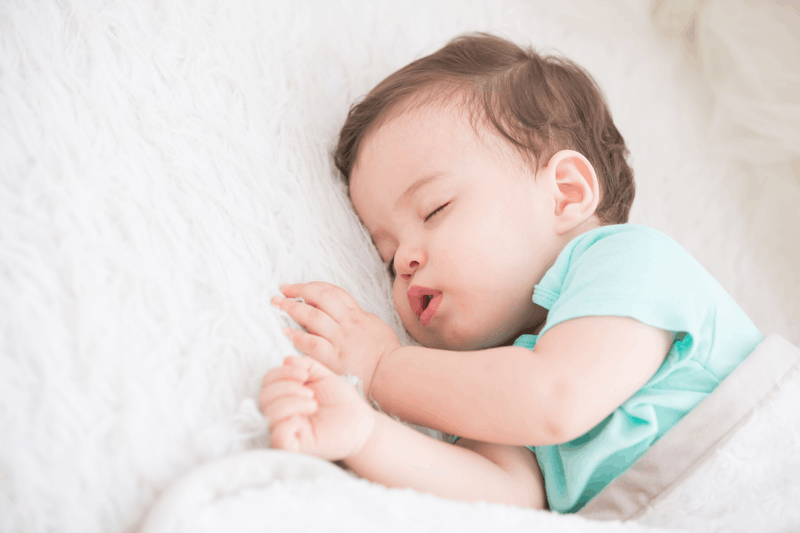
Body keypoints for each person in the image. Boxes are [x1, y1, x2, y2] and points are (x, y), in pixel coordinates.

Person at [259, 33, 763, 512]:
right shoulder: (494, 375)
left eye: (435, 209)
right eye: (387, 257)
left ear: (565, 192)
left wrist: (381, 368)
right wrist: (365, 435)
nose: (405, 261)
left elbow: (554, 397)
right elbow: (507, 499)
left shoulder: (629, 260)